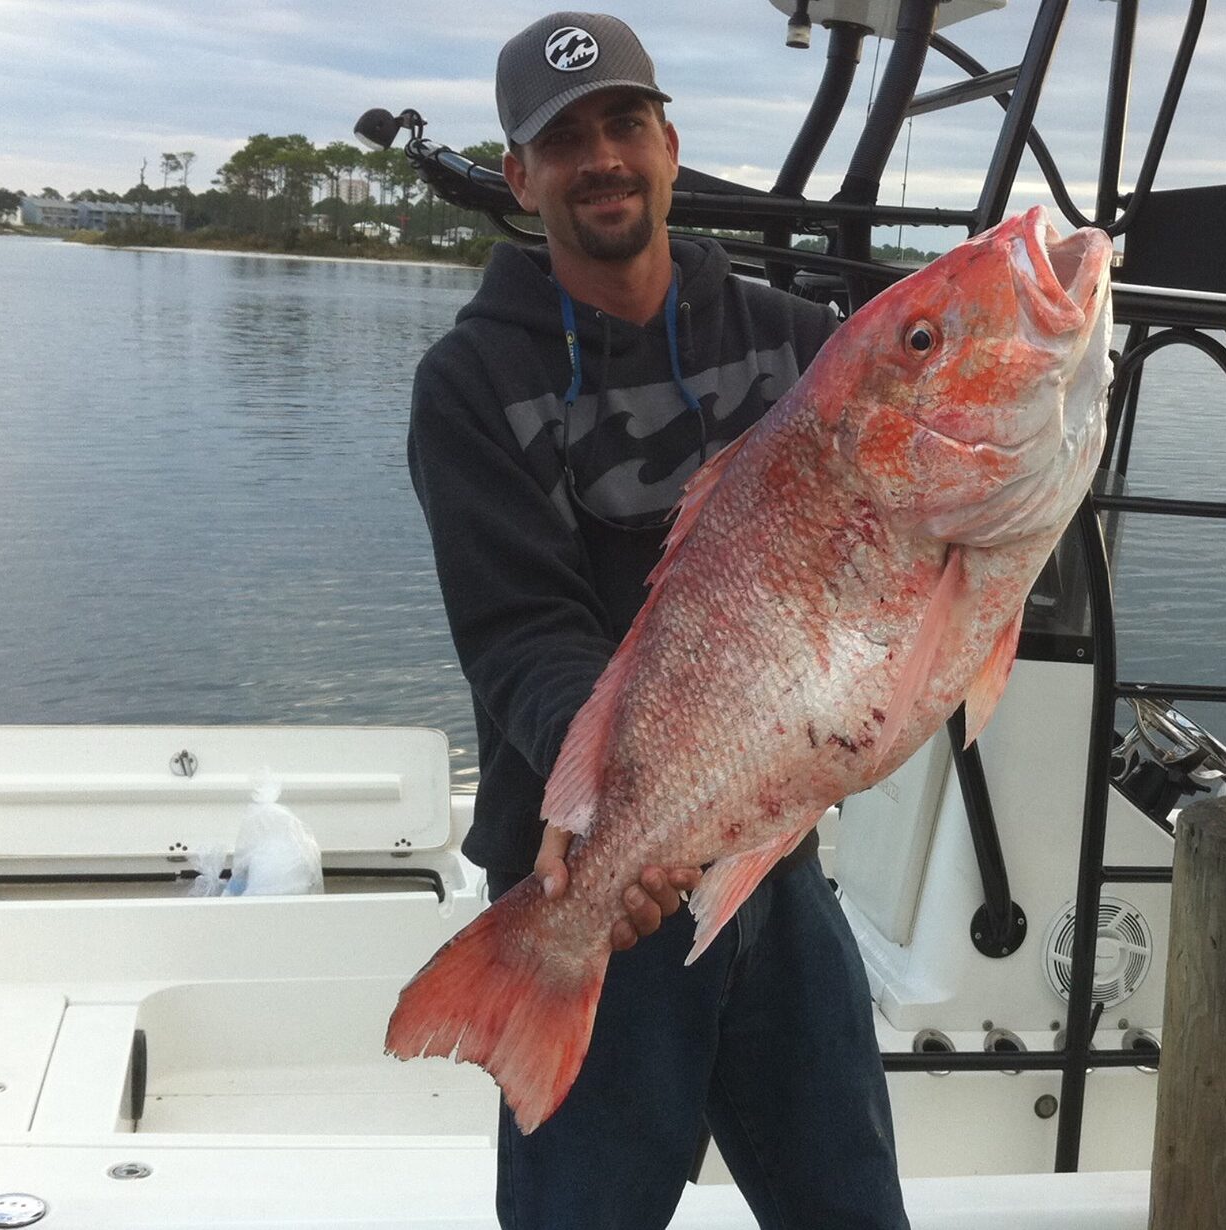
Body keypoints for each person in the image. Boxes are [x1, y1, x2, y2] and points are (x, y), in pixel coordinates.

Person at [406, 12, 910, 1230]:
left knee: (851, 1210)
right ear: (518, 177)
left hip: (767, 867)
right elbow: (521, 629)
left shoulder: (798, 346)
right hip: (579, 865)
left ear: (670, 145)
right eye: (562, 138)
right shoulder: (469, 384)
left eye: (623, 124)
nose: (602, 159)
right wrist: (601, 820)